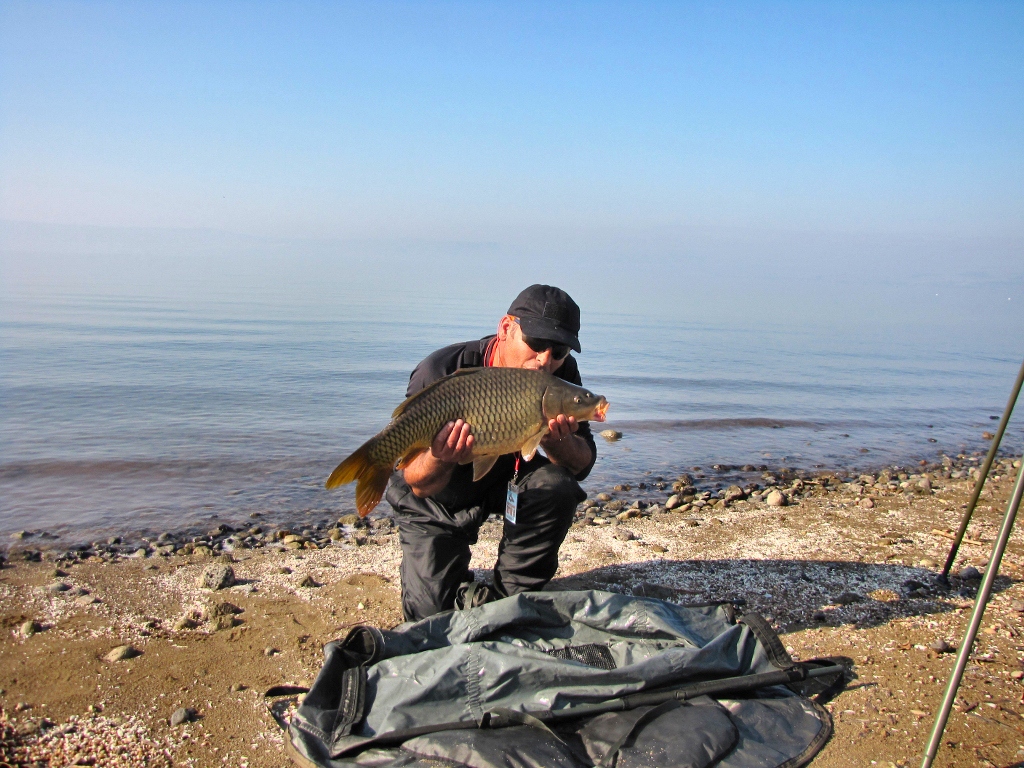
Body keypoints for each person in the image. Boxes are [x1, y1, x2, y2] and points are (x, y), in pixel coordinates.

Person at [384, 285, 598, 621]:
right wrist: (441, 455)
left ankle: (510, 594)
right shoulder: (441, 370)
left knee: (556, 485)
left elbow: (581, 465)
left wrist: (554, 440)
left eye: (559, 351)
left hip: (505, 478)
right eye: (537, 343)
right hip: (438, 492)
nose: (545, 360)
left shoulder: (557, 376)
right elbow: (417, 483)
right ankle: (458, 593)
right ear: (505, 328)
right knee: (429, 616)